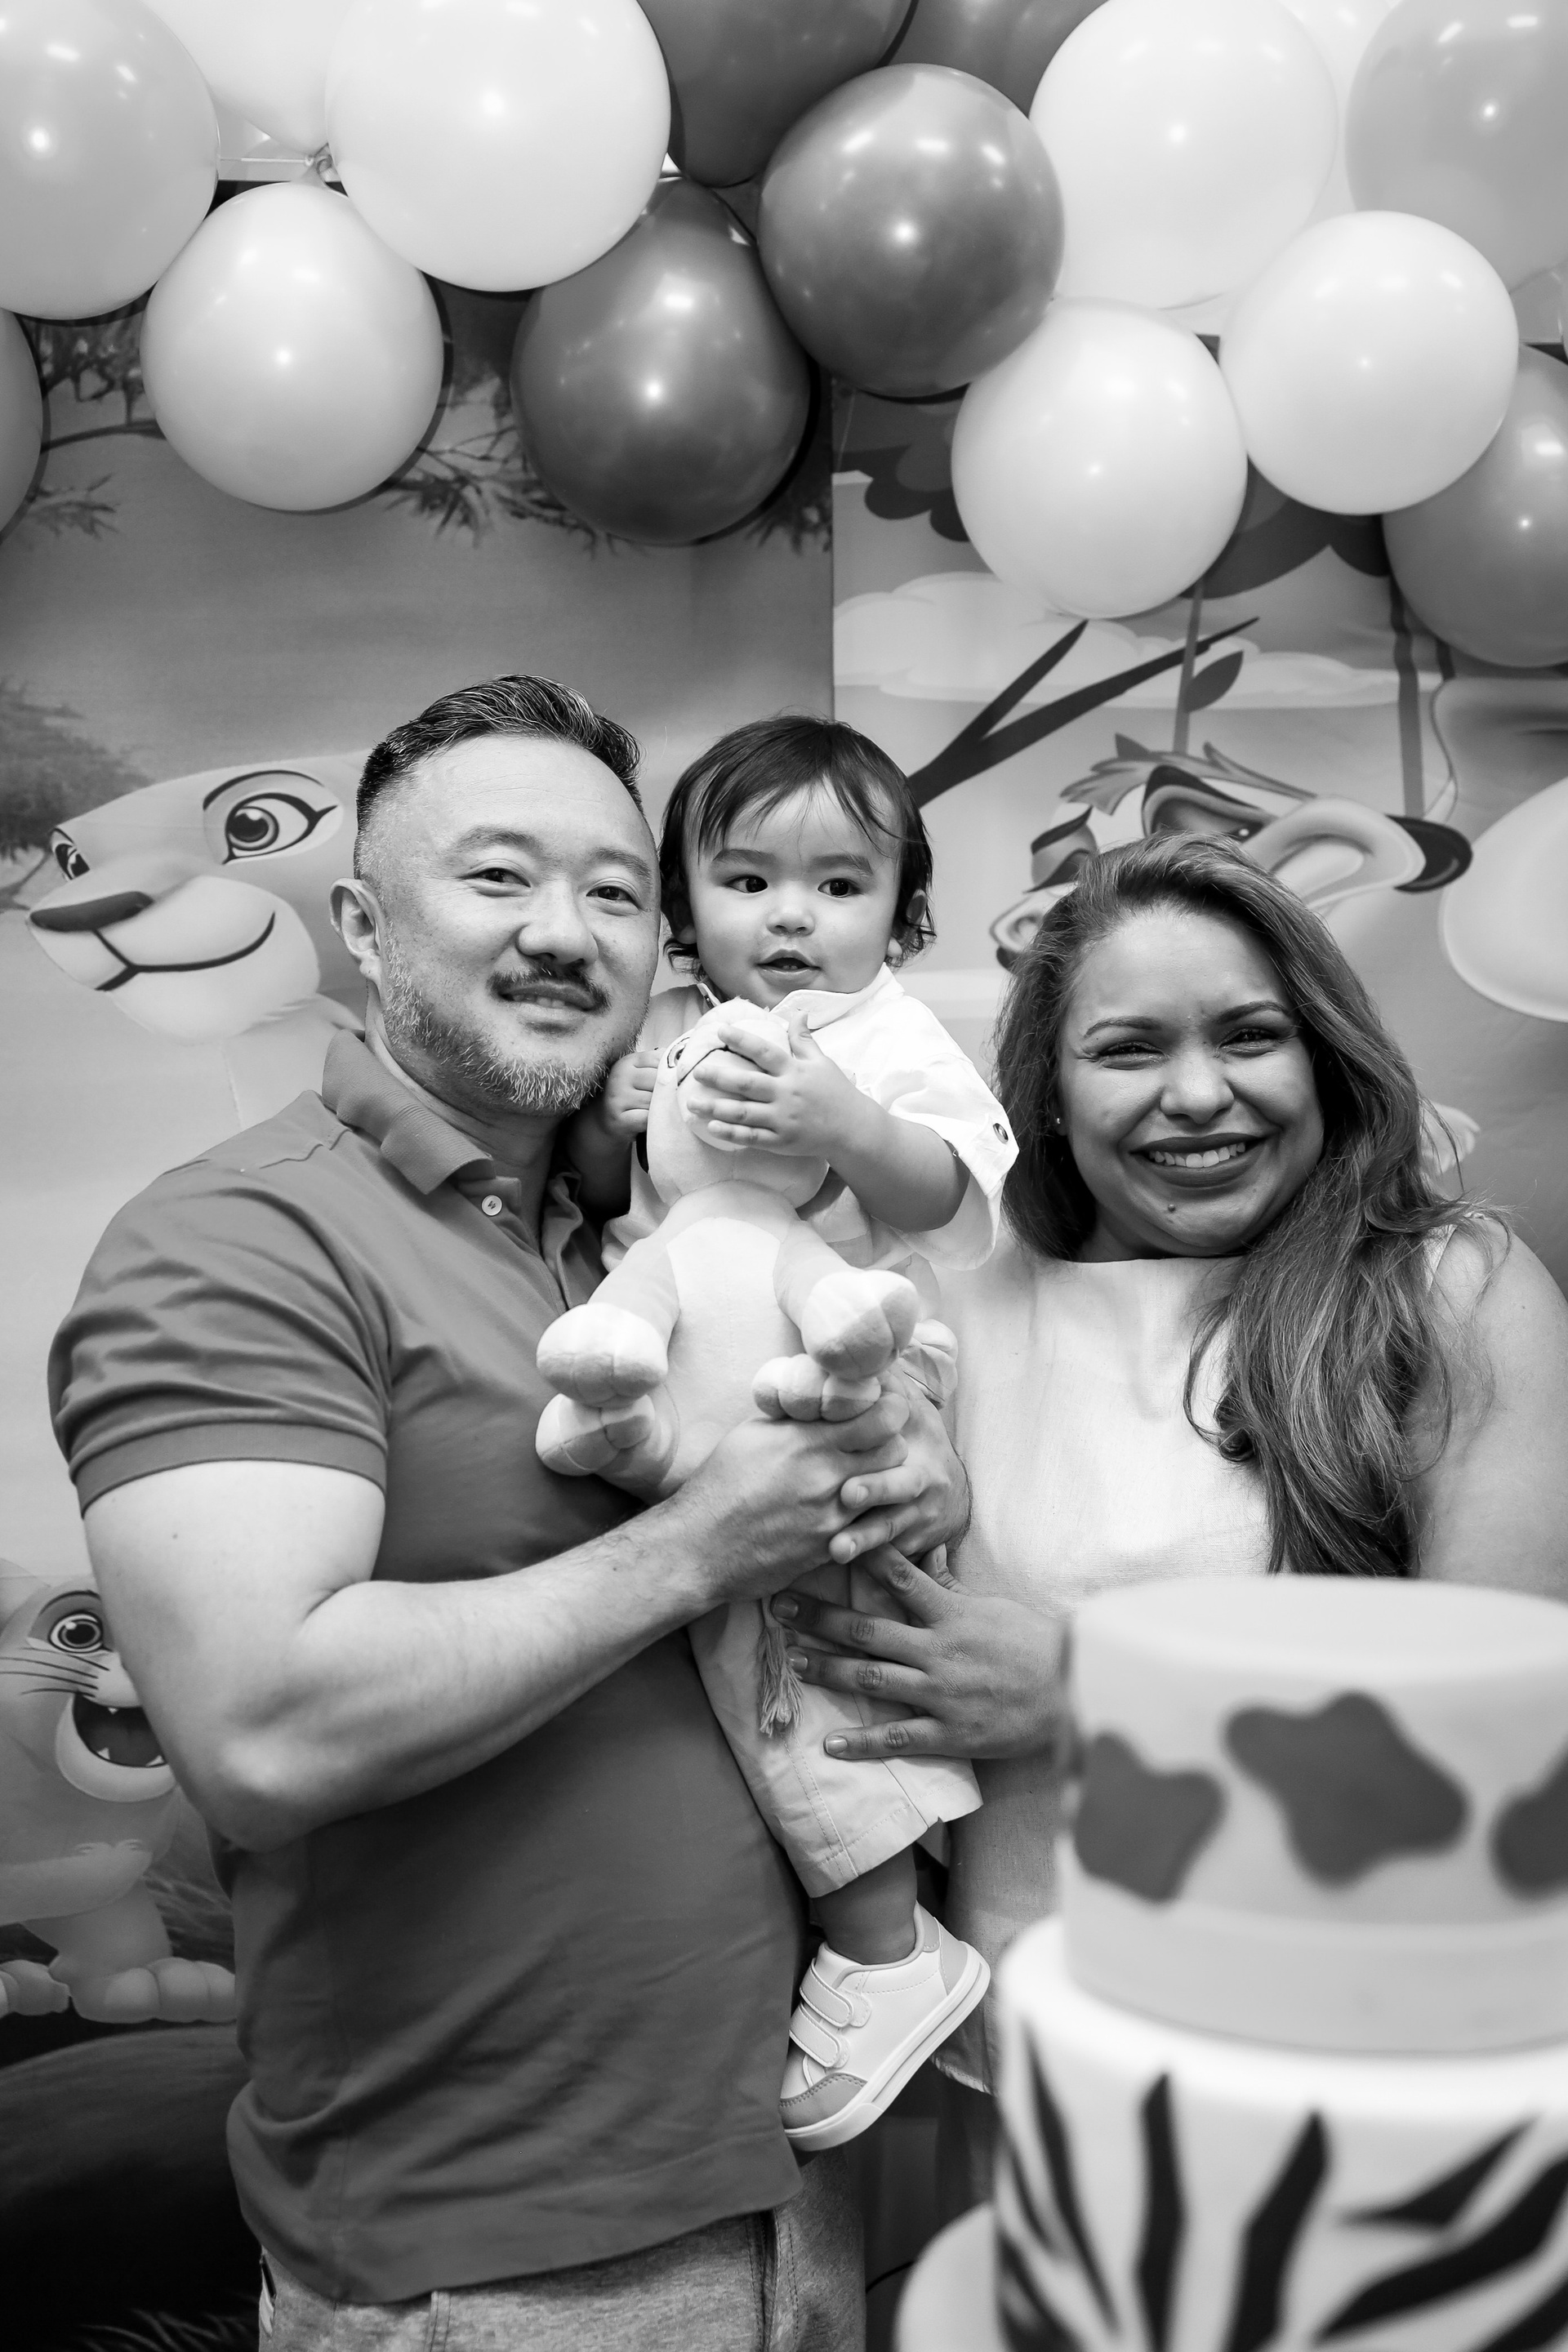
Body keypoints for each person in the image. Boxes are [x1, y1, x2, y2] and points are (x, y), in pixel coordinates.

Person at [46, 676, 972, 2352]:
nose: (563, 932)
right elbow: (262, 1729)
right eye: (497, 876)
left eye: (614, 890)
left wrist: (899, 1474)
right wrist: (706, 1540)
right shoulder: (238, 1240)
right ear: (363, 928)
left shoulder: (634, 1238)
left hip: (788, 2176)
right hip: (492, 2257)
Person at [761, 832, 1568, 2214]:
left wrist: (1094, 1690)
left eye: (1251, 1035)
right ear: (1051, 1094)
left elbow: (1508, 1723)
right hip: (1029, 2092)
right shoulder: (951, 1307)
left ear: (1324, 1057)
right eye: (1128, 1049)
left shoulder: (1452, 1288)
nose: (1198, 1094)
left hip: (1367, 2084)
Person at [565, 716, 1017, 2153]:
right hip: (703, 1369)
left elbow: (952, 1198)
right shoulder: (666, 1026)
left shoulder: (887, 1035)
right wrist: (612, 1118)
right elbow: (610, 1196)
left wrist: (846, 1120)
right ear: (681, 904)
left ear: (905, 915)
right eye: (748, 880)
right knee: (731, 1652)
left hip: (852, 1358)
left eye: (839, 885)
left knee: (800, 1659)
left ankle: (888, 1948)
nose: (792, 917)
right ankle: (870, 1919)